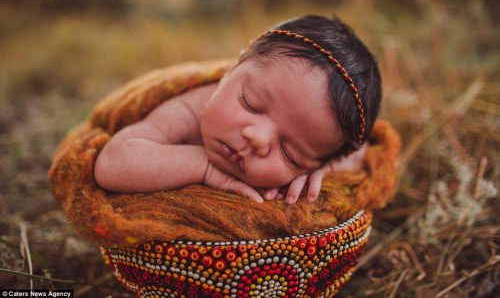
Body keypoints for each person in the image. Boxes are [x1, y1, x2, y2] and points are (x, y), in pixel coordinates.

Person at [94, 15, 381, 204]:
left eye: (290, 153)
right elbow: (112, 164)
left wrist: (326, 169)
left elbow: (360, 151)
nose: (257, 139)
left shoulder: (325, 150)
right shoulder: (188, 110)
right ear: (233, 70)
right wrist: (204, 165)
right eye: (250, 103)